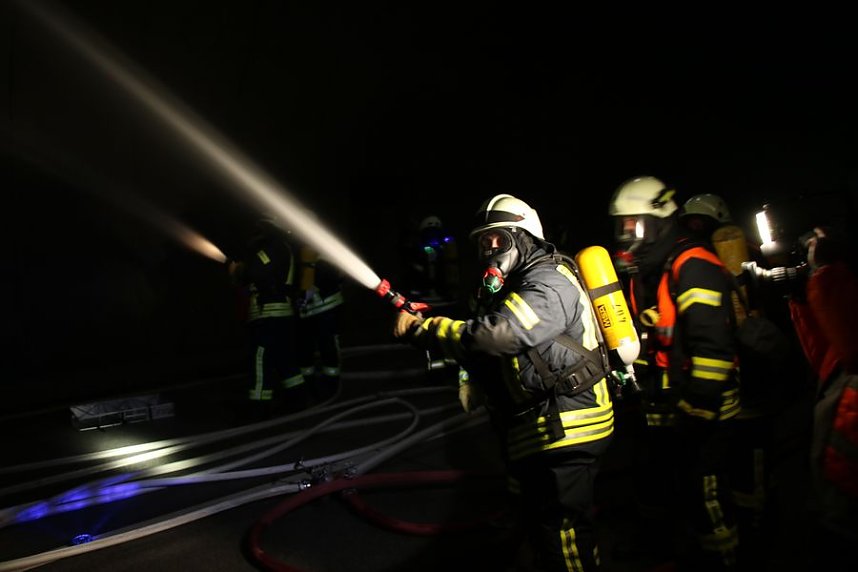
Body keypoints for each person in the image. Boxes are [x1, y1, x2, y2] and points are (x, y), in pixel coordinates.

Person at [394, 194, 615, 572]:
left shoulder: (548, 279)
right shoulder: (510, 285)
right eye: (484, 241)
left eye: (499, 238)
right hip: (539, 425)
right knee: (538, 524)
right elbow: (479, 339)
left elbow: (500, 335)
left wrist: (426, 329)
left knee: (562, 533)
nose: (490, 247)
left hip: (570, 424)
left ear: (524, 237)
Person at [609, 177, 741, 570]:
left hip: (702, 409)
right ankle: (660, 550)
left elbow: (713, 349)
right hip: (662, 407)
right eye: (622, 226)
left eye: (635, 224)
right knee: (654, 486)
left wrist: (698, 407)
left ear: (661, 222)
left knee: (704, 495)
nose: (627, 234)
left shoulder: (693, 264)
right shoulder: (647, 271)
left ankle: (723, 558)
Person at [787, 227, 858, 561]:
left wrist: (825, 273)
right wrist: (801, 298)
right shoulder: (835, 297)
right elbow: (824, 355)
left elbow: (849, 344)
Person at [228, 217, 310, 421]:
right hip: (281, 313)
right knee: (285, 360)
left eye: (260, 227)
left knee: (260, 359)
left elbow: (257, 271)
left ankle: (258, 408)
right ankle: (298, 401)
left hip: (269, 314)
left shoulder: (273, 248)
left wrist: (238, 270)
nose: (256, 232)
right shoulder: (282, 247)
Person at [295, 244, 345, 403]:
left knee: (327, 348)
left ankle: (331, 387)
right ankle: (310, 388)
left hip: (326, 309)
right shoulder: (297, 251)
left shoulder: (323, 253)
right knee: (305, 350)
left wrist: (305, 294)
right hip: (307, 312)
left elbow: (332, 276)